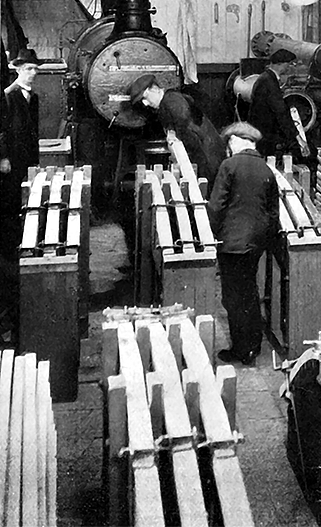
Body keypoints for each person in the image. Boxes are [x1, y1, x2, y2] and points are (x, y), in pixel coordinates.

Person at [207, 122, 280, 366]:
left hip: (232, 242)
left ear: (237, 140)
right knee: (249, 292)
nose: (228, 148)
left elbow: (216, 206)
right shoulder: (266, 170)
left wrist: (211, 235)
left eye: (229, 143)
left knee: (233, 297)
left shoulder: (229, 165)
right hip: (255, 243)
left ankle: (241, 350)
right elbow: (272, 213)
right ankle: (254, 346)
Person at [129, 74, 226, 193]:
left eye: (145, 97)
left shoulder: (171, 99)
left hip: (207, 155)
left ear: (154, 89)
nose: (145, 103)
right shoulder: (167, 103)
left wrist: (174, 135)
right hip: (205, 154)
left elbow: (183, 119)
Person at [0, 47, 41, 255]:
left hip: (28, 158)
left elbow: (34, 132)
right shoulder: (8, 96)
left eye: (35, 69)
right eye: (28, 69)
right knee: (11, 200)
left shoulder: (35, 98)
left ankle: (25, 242)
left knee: (27, 198)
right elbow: (3, 128)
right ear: (18, 70)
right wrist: (4, 156)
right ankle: (10, 247)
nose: (33, 73)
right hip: (12, 158)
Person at [234, 49, 303, 160]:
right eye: (289, 64)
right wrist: (296, 136)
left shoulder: (265, 78)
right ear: (281, 64)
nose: (289, 67)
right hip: (265, 134)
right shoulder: (269, 82)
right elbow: (280, 111)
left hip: (260, 132)